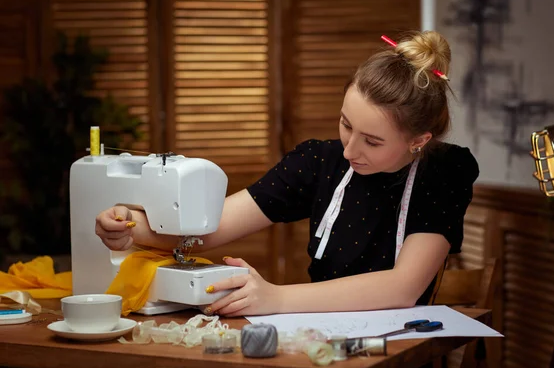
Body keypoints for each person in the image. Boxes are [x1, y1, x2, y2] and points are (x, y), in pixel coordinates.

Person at [95, 30, 479, 318]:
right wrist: (132, 228)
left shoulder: (442, 171)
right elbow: (210, 229)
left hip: (402, 346)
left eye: (372, 142)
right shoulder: (319, 161)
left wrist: (275, 297)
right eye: (345, 124)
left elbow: (403, 288)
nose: (349, 150)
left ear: (418, 140)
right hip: (322, 335)